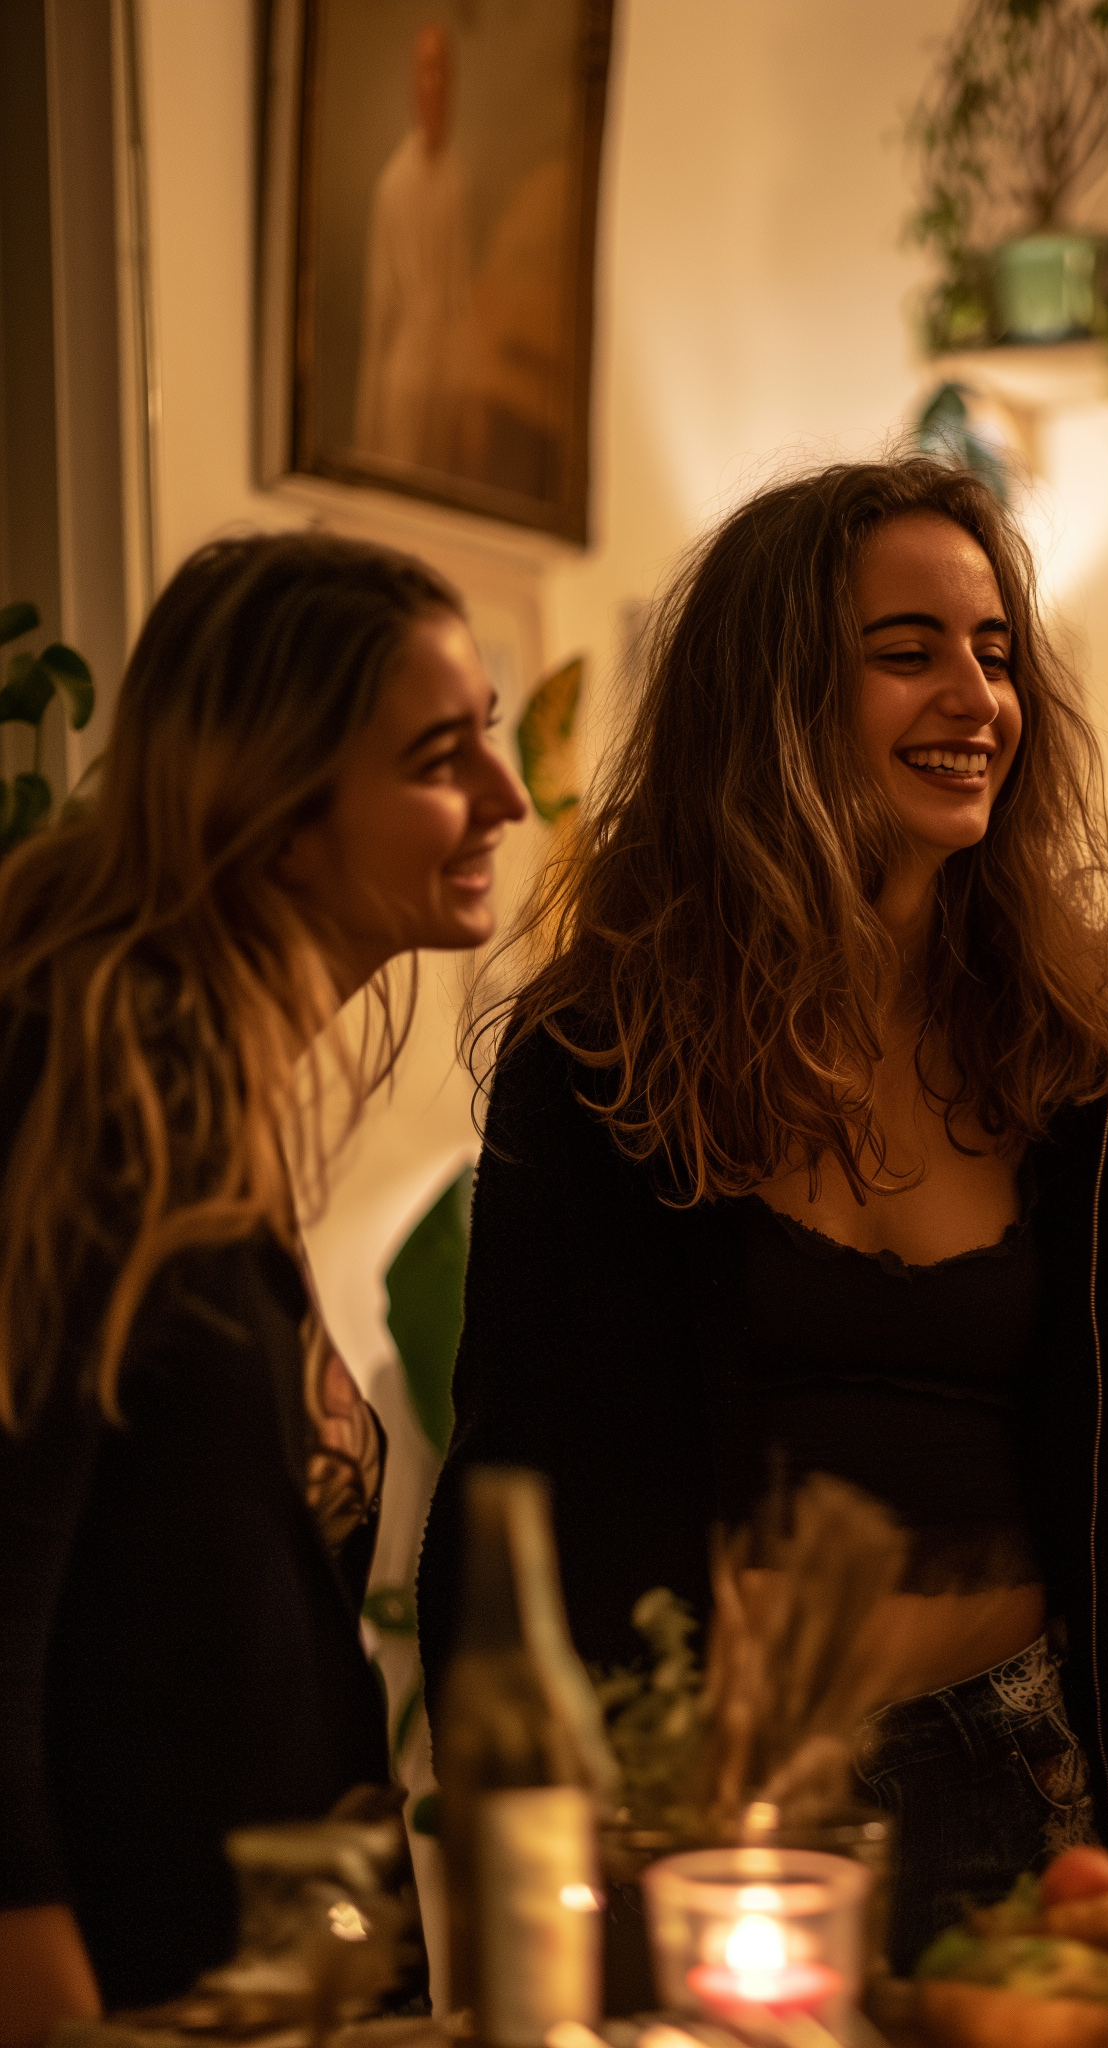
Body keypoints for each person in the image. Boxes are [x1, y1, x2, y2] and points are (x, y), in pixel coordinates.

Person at [416, 458, 1108, 1968]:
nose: (974, 698)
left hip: (1015, 1776)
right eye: (907, 654)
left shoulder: (1090, 1044)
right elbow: (512, 1474)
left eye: (996, 653)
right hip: (701, 1802)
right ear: (773, 698)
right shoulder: (606, 1053)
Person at [0, 533, 527, 2038]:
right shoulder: (97, 1085)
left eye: (489, 731)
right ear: (278, 809)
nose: (507, 796)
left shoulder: (212, 1081)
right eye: (442, 755)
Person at [355, 23, 473, 473]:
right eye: (427, 71)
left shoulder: (456, 184)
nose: (436, 85)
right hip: (402, 384)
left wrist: (463, 393)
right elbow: (379, 309)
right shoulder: (393, 186)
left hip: (443, 383)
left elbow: (459, 295)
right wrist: (368, 432)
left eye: (444, 72)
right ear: (413, 85)